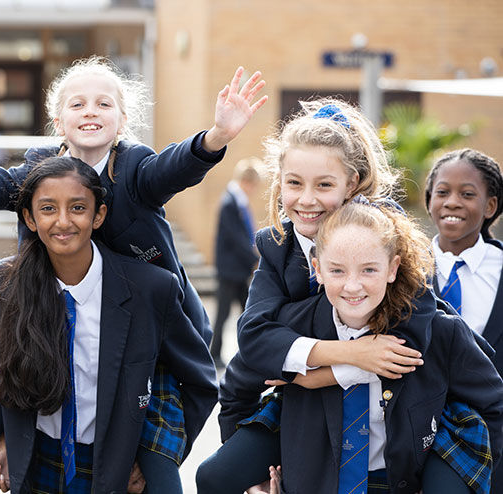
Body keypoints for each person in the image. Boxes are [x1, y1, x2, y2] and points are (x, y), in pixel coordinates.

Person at [0, 56, 266, 491]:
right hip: (53, 311)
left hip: (142, 324)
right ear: (58, 121)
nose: (90, 112)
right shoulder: (39, 174)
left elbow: (173, 167)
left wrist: (216, 137)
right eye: (78, 104)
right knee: (4, 398)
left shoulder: (135, 167)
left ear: (122, 122)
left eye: (104, 104)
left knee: (151, 458)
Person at [197, 100, 489, 493]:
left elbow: (410, 339)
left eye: (324, 185)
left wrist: (311, 377)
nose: (307, 199)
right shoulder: (277, 245)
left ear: (351, 184)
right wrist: (344, 357)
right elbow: (253, 338)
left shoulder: (384, 234)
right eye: (294, 183)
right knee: (217, 475)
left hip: (394, 399)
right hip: (310, 406)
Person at [0, 157, 218, 493]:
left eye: (78, 207)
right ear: (30, 219)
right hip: (39, 462)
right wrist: (6, 445)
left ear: (98, 215)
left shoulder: (151, 288)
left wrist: (163, 452)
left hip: (117, 465)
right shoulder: (5, 283)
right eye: (48, 209)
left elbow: (199, 381)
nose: (63, 221)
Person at [221, 200, 503, 494]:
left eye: (369, 270)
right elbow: (235, 389)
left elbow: (493, 403)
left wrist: (479, 481)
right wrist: (253, 480)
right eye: (338, 271)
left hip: (401, 481)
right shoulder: (291, 328)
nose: (352, 287)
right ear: (317, 269)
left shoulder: (440, 331)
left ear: (392, 268)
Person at [423, 148, 503, 491]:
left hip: (495, 429)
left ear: (490, 207)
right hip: (425, 431)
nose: (452, 202)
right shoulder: (400, 268)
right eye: (442, 192)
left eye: (467, 194)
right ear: (429, 201)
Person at [210, 157, 262, 368]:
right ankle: (214, 354)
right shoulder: (230, 202)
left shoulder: (237, 201)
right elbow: (237, 239)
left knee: (247, 312)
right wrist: (256, 258)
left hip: (238, 269)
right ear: (247, 182)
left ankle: (249, 352)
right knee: (224, 314)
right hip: (230, 270)